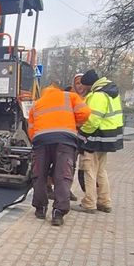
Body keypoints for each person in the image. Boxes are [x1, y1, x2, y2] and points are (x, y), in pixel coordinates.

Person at [28, 83, 92, 226]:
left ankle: (40, 208)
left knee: (39, 174)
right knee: (62, 175)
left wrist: (36, 141)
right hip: (65, 140)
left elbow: (31, 129)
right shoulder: (70, 97)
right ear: (58, 89)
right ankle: (58, 212)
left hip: (41, 140)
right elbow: (86, 113)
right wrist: (73, 124)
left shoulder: (37, 103)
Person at [73, 69, 124, 214]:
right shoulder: (111, 92)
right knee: (101, 170)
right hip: (109, 137)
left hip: (95, 137)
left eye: (86, 86)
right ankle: (105, 202)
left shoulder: (98, 95)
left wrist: (82, 135)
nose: (85, 89)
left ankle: (89, 203)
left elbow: (93, 120)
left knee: (88, 169)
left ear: (90, 84)